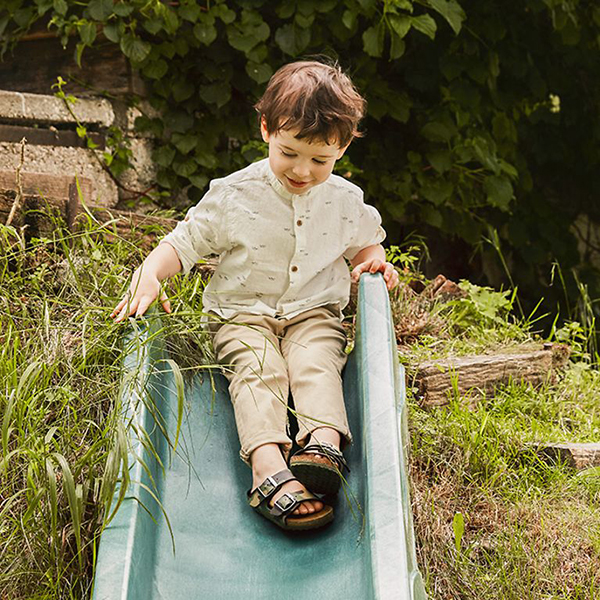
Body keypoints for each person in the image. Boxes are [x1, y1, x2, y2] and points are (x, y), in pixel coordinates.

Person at [112, 60, 399, 531]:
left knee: (313, 361)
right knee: (257, 367)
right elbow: (183, 243)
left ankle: (321, 444)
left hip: (313, 313)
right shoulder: (233, 195)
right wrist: (151, 273)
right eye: (289, 153)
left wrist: (373, 262)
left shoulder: (346, 201)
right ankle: (267, 465)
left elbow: (365, 244)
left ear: (342, 147)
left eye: (320, 160)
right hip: (241, 313)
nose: (303, 170)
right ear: (265, 129)